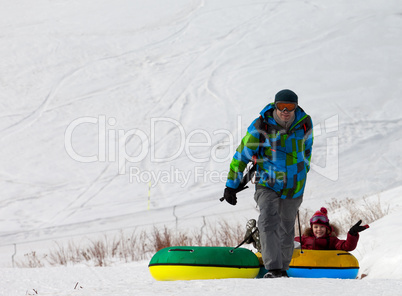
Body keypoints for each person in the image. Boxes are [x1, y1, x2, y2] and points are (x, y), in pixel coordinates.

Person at [222, 89, 313, 278]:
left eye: (290, 107)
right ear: (275, 105)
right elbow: (241, 155)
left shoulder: (304, 123)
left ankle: (282, 268)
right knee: (268, 219)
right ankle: (273, 268)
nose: (285, 111)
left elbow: (308, 148)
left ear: (296, 107)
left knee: (286, 227)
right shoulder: (260, 127)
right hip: (268, 182)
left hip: (295, 185)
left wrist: (305, 169)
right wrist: (231, 185)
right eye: (281, 106)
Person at [295, 207, 369, 250]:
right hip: (305, 267)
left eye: (322, 227)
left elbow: (347, 246)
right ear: (311, 228)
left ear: (327, 228)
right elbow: (289, 243)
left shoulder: (332, 241)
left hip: (325, 269)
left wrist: (352, 234)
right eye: (316, 227)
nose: (319, 229)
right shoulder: (304, 239)